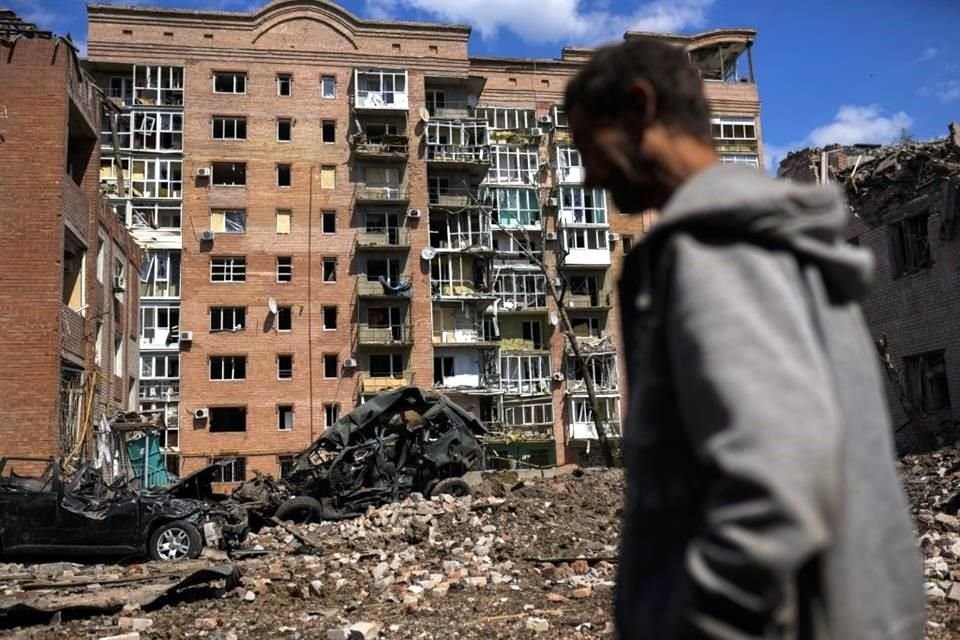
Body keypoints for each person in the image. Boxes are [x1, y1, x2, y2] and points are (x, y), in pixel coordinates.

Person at [564, 38, 924, 639]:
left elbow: (775, 485)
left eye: (588, 145)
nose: (589, 173)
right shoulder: (773, 245)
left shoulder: (717, 249)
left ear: (639, 107)